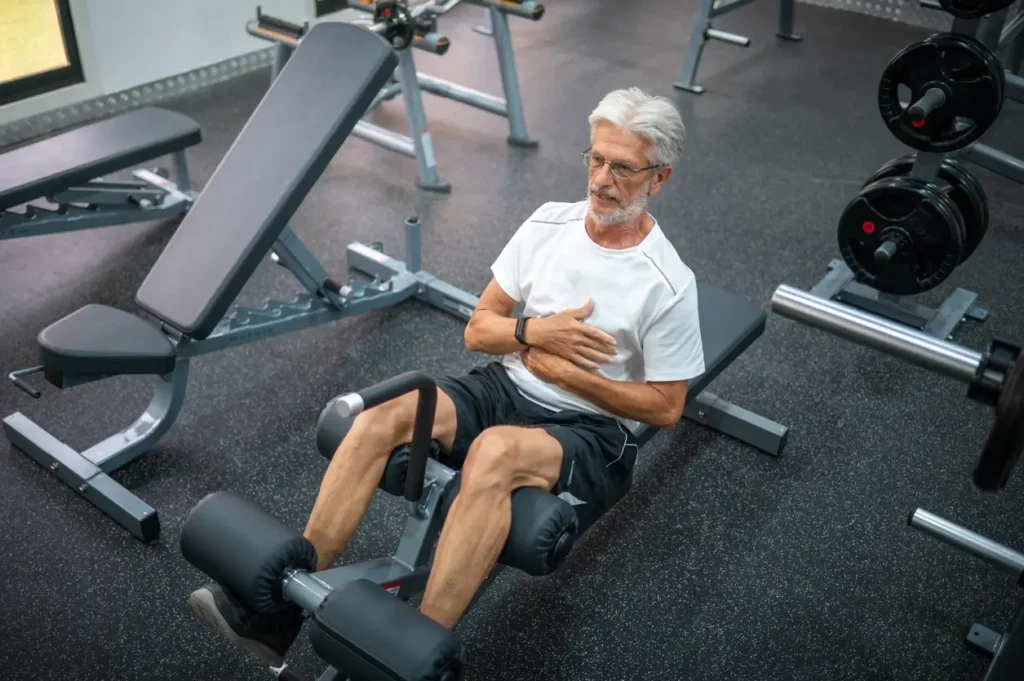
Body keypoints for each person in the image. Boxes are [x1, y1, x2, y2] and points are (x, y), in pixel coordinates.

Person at [188, 87, 706, 668]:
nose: (601, 179)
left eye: (622, 168)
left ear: (658, 179)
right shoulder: (547, 225)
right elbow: (481, 328)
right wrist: (534, 334)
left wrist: (568, 374)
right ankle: (278, 612)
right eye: (595, 158)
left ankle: (403, 654)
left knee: (495, 451)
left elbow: (664, 407)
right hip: (505, 383)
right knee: (384, 417)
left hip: (591, 430)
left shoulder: (667, 283)